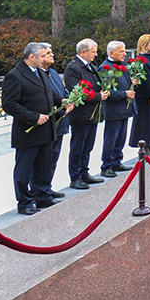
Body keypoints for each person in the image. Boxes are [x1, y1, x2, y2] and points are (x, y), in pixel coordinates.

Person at [1, 42, 73, 215]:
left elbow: (48, 93)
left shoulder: (40, 72)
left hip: (46, 129)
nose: (45, 58)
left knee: (44, 165)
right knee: (24, 169)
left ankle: (43, 196)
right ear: (31, 57)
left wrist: (61, 101)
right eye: (42, 56)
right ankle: (24, 202)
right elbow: (9, 104)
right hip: (28, 131)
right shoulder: (15, 76)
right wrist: (33, 117)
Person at [64, 38, 109, 189]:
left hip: (92, 114)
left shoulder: (90, 66)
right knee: (78, 147)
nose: (96, 54)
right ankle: (75, 176)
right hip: (81, 114)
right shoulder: (73, 68)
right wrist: (98, 96)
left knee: (88, 146)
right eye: (93, 52)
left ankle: (84, 172)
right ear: (83, 52)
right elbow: (77, 91)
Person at [34, 44, 69, 205]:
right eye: (47, 53)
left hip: (60, 121)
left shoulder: (53, 72)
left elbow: (61, 91)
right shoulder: (37, 75)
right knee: (43, 159)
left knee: (53, 157)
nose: (52, 55)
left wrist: (67, 101)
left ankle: (47, 187)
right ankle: (38, 190)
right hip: (49, 121)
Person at [98, 40, 136, 178]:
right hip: (113, 109)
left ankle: (117, 160)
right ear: (111, 53)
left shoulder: (122, 65)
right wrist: (125, 94)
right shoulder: (105, 68)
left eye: (124, 51)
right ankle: (107, 165)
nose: (124, 54)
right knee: (111, 138)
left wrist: (133, 83)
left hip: (124, 108)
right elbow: (107, 91)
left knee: (121, 137)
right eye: (121, 51)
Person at [129, 33, 150, 160]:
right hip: (146, 96)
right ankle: (145, 148)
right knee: (145, 122)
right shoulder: (141, 60)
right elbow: (147, 79)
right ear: (145, 46)